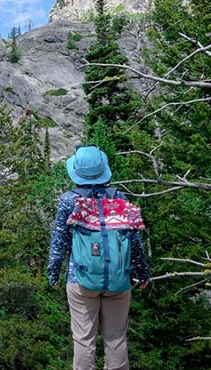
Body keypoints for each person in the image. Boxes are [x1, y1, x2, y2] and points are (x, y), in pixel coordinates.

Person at [47, 145, 151, 370]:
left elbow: (59, 241)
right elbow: (133, 241)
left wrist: (53, 273)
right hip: (118, 279)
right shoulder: (120, 198)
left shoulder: (69, 200)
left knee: (84, 339)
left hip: (80, 279)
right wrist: (143, 272)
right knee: (116, 339)